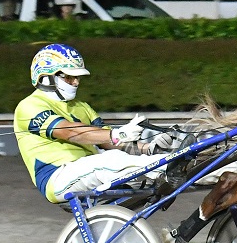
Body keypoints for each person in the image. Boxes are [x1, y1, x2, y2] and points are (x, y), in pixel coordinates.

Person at [13, 43, 175, 204]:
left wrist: (148, 149)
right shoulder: (29, 106)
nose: (76, 82)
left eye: (77, 78)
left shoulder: (82, 107)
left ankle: (172, 166)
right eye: (69, 77)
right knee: (108, 160)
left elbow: (109, 142)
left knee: (124, 167)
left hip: (89, 172)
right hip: (56, 177)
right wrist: (118, 133)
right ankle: (170, 166)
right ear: (47, 77)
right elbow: (69, 132)